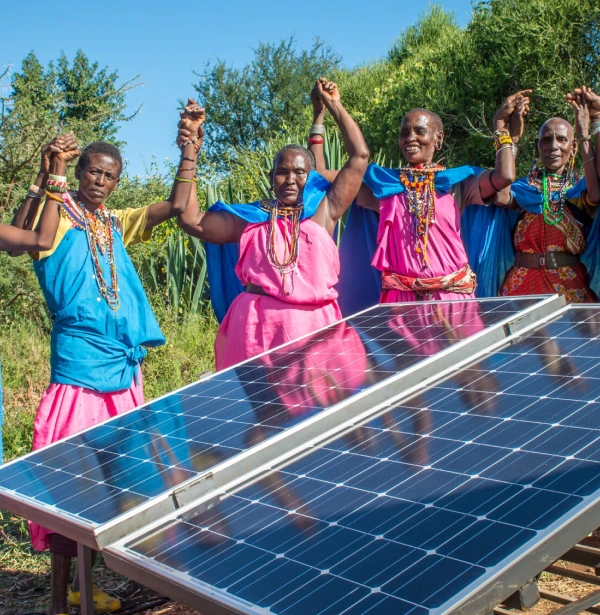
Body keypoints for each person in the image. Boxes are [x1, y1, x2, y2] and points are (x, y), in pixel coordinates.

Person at [10, 104, 204, 615]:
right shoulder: (55, 217)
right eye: (93, 171)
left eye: (110, 175)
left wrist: (188, 149)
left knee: (121, 479)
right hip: (78, 371)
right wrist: (47, 175)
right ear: (79, 173)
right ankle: (59, 600)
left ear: (118, 182)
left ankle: (95, 583)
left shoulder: (113, 222)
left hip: (123, 371)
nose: (100, 181)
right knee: (68, 489)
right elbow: (28, 239)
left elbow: (173, 206)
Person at [178, 79, 369, 370]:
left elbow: (359, 156)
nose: (290, 179)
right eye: (282, 172)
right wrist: (190, 147)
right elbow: (191, 220)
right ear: (271, 178)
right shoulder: (250, 220)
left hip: (315, 330)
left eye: (299, 172)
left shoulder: (324, 212)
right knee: (257, 413)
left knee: (317, 412)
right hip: (256, 331)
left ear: (312, 176)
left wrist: (333, 105)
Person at [309, 91, 531, 304]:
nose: (410, 138)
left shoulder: (457, 182)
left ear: (438, 138)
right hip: (401, 302)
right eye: (404, 132)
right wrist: (319, 115)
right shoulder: (382, 183)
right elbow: (319, 175)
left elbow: (504, 176)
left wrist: (501, 130)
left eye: (419, 131)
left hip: (451, 299)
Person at [497, 86, 600, 302]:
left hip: (570, 289)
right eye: (546, 140)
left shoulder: (579, 190)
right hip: (521, 287)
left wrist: (586, 131)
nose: (553, 146)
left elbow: (596, 195)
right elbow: (501, 197)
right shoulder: (525, 189)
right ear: (537, 147)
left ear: (572, 148)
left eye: (562, 140)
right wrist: (508, 136)